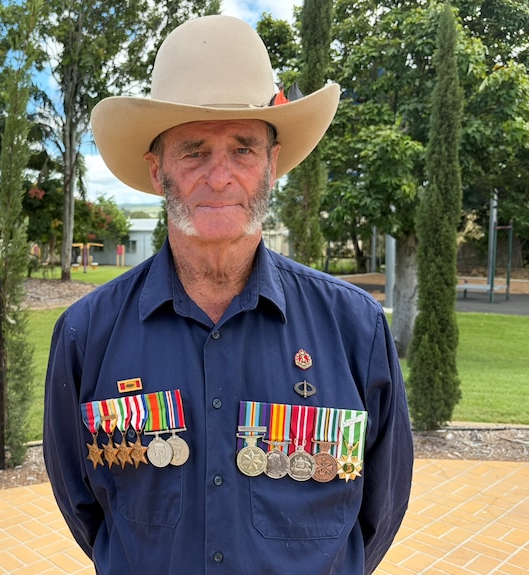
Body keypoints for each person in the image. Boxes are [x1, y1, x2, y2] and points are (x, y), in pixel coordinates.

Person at [43, 14, 413, 575]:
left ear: (272, 167)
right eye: (193, 151)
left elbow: (378, 512)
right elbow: (86, 508)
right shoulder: (85, 334)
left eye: (242, 149)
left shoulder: (355, 330)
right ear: (156, 170)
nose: (219, 177)